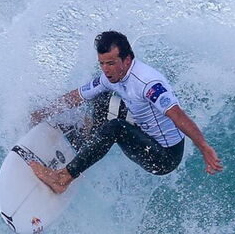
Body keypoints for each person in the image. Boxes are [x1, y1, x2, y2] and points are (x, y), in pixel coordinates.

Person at [28, 31, 223, 193]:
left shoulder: (148, 83)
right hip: (145, 131)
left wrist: (204, 148)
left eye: (111, 63)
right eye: (102, 63)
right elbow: (78, 96)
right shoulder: (111, 75)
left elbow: (178, 115)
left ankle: (63, 178)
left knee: (116, 128)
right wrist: (41, 113)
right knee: (101, 97)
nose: (105, 69)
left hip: (163, 156)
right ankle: (86, 142)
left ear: (127, 60)